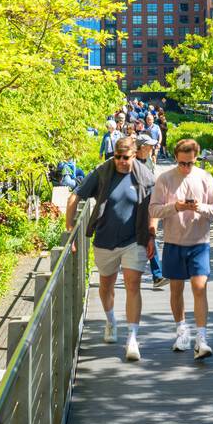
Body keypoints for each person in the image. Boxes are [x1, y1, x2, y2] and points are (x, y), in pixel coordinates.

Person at [66, 136, 156, 362]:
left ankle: (132, 337)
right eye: (117, 157)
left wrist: (152, 235)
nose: (121, 161)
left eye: (125, 157)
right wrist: (69, 229)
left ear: (134, 156)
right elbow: (75, 196)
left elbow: (153, 209)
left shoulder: (145, 177)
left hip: (134, 240)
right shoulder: (103, 172)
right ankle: (110, 321)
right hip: (105, 240)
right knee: (106, 285)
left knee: (133, 284)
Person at [149, 137, 213, 359]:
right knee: (176, 289)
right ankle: (181, 329)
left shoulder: (205, 178)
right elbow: (153, 209)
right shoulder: (165, 179)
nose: (185, 167)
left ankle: (202, 337)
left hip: (199, 242)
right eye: (182, 163)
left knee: (200, 288)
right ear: (175, 159)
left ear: (195, 159)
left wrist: (201, 208)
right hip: (173, 241)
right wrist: (176, 207)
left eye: (189, 163)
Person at [135, 135, 167, 288]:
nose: (151, 149)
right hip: (134, 206)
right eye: (149, 146)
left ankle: (157, 276)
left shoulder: (147, 160)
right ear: (141, 147)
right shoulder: (131, 161)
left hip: (148, 204)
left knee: (150, 236)